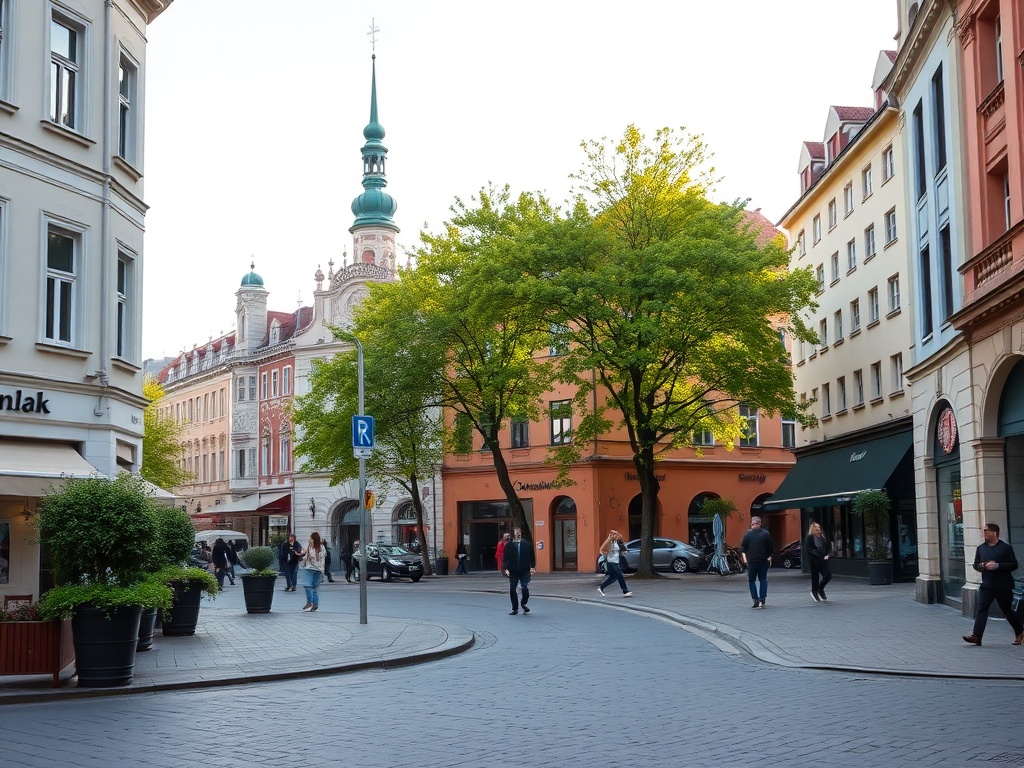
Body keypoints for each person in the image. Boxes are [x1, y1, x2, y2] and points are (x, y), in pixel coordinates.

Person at [963, 522, 1024, 647]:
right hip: (987, 585)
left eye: (987, 531)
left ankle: (1019, 631)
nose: (984, 533)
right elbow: (976, 565)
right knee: (982, 608)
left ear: (995, 533)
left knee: (1007, 610)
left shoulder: (1005, 548)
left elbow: (1014, 564)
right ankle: (977, 636)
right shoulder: (981, 548)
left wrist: (998, 566)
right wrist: (983, 565)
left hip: (1003, 585)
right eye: (983, 531)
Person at [740, 516, 774, 608]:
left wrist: (745, 560)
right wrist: (769, 556)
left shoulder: (747, 534)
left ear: (752, 523)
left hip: (751, 562)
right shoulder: (766, 533)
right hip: (763, 560)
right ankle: (762, 598)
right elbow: (770, 547)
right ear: (760, 523)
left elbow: (743, 548)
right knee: (763, 579)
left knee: (752, 580)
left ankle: (755, 598)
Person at [503, 526, 535, 615]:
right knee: (512, 589)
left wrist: (532, 567)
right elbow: (505, 558)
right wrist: (506, 568)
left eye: (519, 531)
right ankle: (515, 608)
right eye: (516, 531)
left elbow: (531, 556)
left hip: (524, 569)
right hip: (513, 570)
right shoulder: (509, 545)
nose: (518, 533)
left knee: (524, 588)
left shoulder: (527, 544)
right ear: (513, 533)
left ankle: (523, 603)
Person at [597, 530, 632, 597]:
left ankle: (601, 587)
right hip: (610, 561)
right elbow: (601, 549)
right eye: (614, 534)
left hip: (616, 561)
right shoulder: (608, 541)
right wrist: (606, 555)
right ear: (611, 535)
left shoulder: (617, 542)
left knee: (613, 577)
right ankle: (625, 591)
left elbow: (620, 549)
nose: (616, 535)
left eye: (616, 534)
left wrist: (622, 552)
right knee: (619, 574)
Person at [805, 521, 832, 603]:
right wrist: (818, 554)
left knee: (828, 575)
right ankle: (814, 591)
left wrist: (827, 555)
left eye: (819, 527)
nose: (818, 529)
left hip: (823, 560)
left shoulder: (823, 537)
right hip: (815, 560)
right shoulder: (810, 538)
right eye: (816, 528)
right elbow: (809, 549)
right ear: (813, 529)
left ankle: (820, 589)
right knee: (815, 576)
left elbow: (828, 547)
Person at [300, 532, 326, 612]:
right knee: (307, 585)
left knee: (313, 587)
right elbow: (303, 554)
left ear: (314, 539)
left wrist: (322, 571)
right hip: (310, 569)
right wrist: (303, 552)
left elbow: (322, 559)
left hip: (318, 570)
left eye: (311, 538)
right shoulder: (309, 547)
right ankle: (310, 603)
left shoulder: (321, 548)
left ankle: (314, 604)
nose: (309, 539)